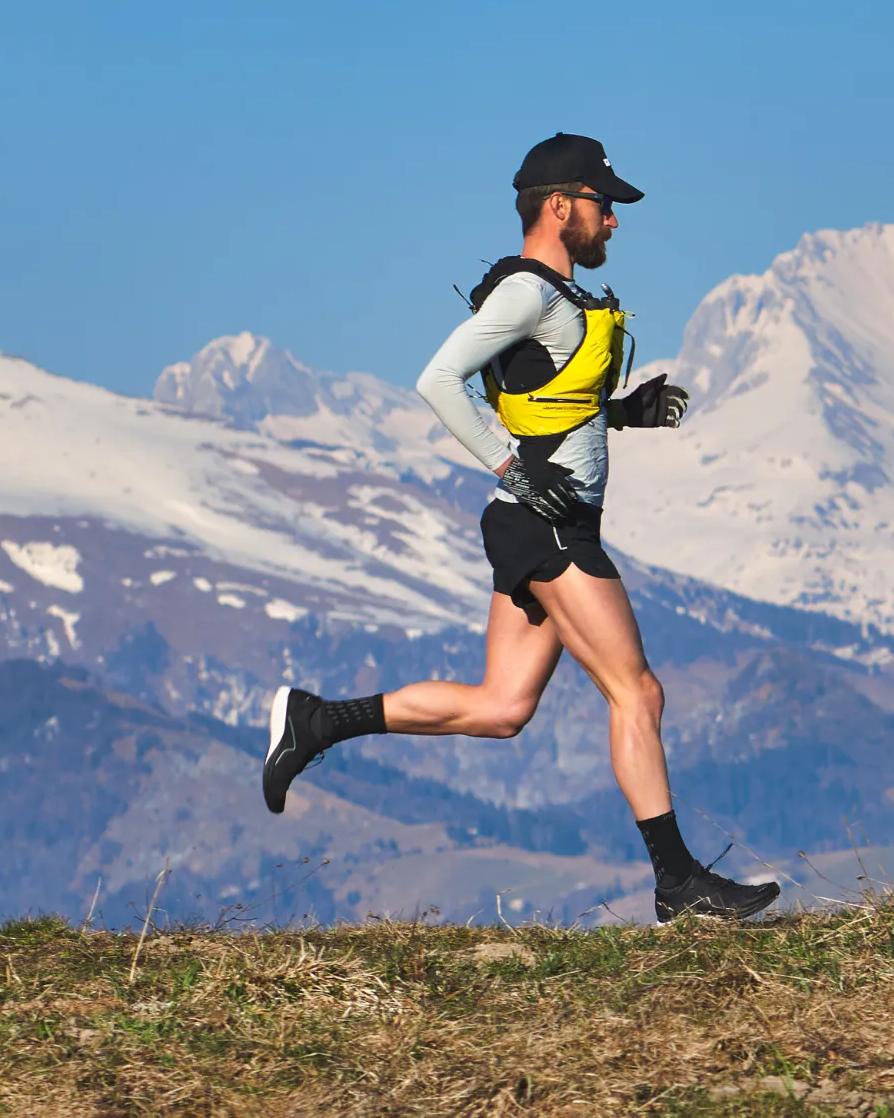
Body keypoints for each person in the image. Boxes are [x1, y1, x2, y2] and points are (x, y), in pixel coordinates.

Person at [259, 132, 780, 923]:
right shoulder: (528, 293)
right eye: (604, 205)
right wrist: (511, 469)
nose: (614, 220)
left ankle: (318, 720)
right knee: (637, 691)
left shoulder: (557, 297)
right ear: (559, 206)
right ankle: (678, 885)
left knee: (502, 708)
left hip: (534, 521)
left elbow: (546, 403)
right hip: (548, 523)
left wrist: (622, 414)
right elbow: (438, 380)